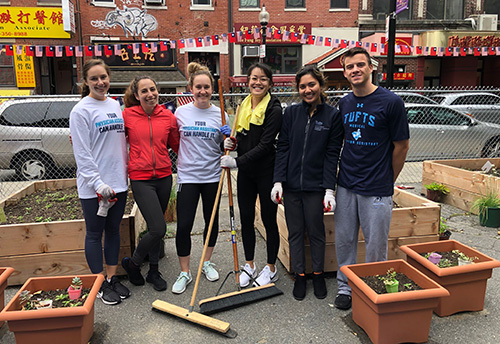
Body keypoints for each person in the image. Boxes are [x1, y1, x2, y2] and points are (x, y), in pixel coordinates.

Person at [334, 47, 410, 310]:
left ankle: (373, 287)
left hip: (377, 187)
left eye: (360, 65)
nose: (355, 70)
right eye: (349, 67)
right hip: (346, 184)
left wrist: (389, 178)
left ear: (370, 68)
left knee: (376, 245)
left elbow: (401, 145)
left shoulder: (391, 102)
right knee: (344, 240)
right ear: (345, 73)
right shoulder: (344, 103)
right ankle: (345, 287)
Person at [272, 65, 343, 301]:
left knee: (316, 233)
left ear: (320, 85)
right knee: (295, 232)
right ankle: (301, 275)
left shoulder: (332, 116)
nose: (307, 90)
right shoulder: (291, 114)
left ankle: (319, 274)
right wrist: (279, 181)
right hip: (292, 188)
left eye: (311, 84)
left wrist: (328, 190)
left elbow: (332, 154)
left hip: (315, 189)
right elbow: (283, 148)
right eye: (302, 86)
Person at [69, 59, 130, 305]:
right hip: (93, 187)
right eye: (94, 78)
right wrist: (96, 183)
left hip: (118, 183)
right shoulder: (81, 110)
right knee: (95, 234)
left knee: (113, 231)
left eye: (103, 77)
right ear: (85, 82)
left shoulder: (115, 105)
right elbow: (82, 153)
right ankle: (99, 283)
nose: (100, 82)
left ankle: (112, 278)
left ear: (109, 78)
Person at [221, 63, 283, 287]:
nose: (258, 83)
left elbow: (265, 145)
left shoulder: (274, 109)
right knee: (246, 218)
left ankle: (271, 268)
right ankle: (250, 265)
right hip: (247, 173)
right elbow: (243, 137)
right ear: (248, 81)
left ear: (270, 83)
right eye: (254, 78)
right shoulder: (242, 105)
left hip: (266, 171)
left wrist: (236, 161)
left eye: (263, 79)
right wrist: (231, 142)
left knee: (268, 220)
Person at [171, 62, 229, 294]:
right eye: (198, 87)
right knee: (184, 225)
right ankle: (185, 271)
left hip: (212, 175)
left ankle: (206, 262)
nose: (203, 91)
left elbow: (223, 146)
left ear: (212, 89)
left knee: (211, 222)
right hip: (188, 176)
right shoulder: (181, 112)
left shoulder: (221, 113)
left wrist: (227, 142)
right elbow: (174, 140)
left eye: (206, 87)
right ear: (191, 88)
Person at [120, 76, 180, 292]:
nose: (150, 94)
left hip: (164, 176)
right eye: (144, 91)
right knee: (158, 227)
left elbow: (177, 144)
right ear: (137, 95)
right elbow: (109, 138)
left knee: (158, 229)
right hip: (141, 178)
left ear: (158, 91)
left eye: (153, 89)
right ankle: (133, 264)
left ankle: (153, 271)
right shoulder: (127, 115)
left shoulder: (168, 117)